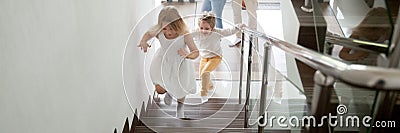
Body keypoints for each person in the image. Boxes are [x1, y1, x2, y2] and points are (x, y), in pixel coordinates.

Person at [138, 6, 199, 118]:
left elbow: (196, 52)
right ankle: (169, 92)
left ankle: (180, 108)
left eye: (172, 28)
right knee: (160, 89)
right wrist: (143, 41)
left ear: (178, 25)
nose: (168, 32)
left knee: (181, 89)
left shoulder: (185, 35)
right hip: (164, 62)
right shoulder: (160, 32)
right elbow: (148, 33)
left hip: (181, 65)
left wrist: (188, 55)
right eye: (165, 28)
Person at [192, 12, 245, 103]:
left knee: (205, 72)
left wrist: (238, 27)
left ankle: (203, 94)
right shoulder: (197, 33)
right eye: (201, 28)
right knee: (202, 76)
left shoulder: (217, 33)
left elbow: (229, 31)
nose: (204, 31)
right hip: (204, 58)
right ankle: (210, 86)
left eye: (207, 28)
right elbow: (187, 35)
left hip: (215, 57)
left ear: (212, 28)